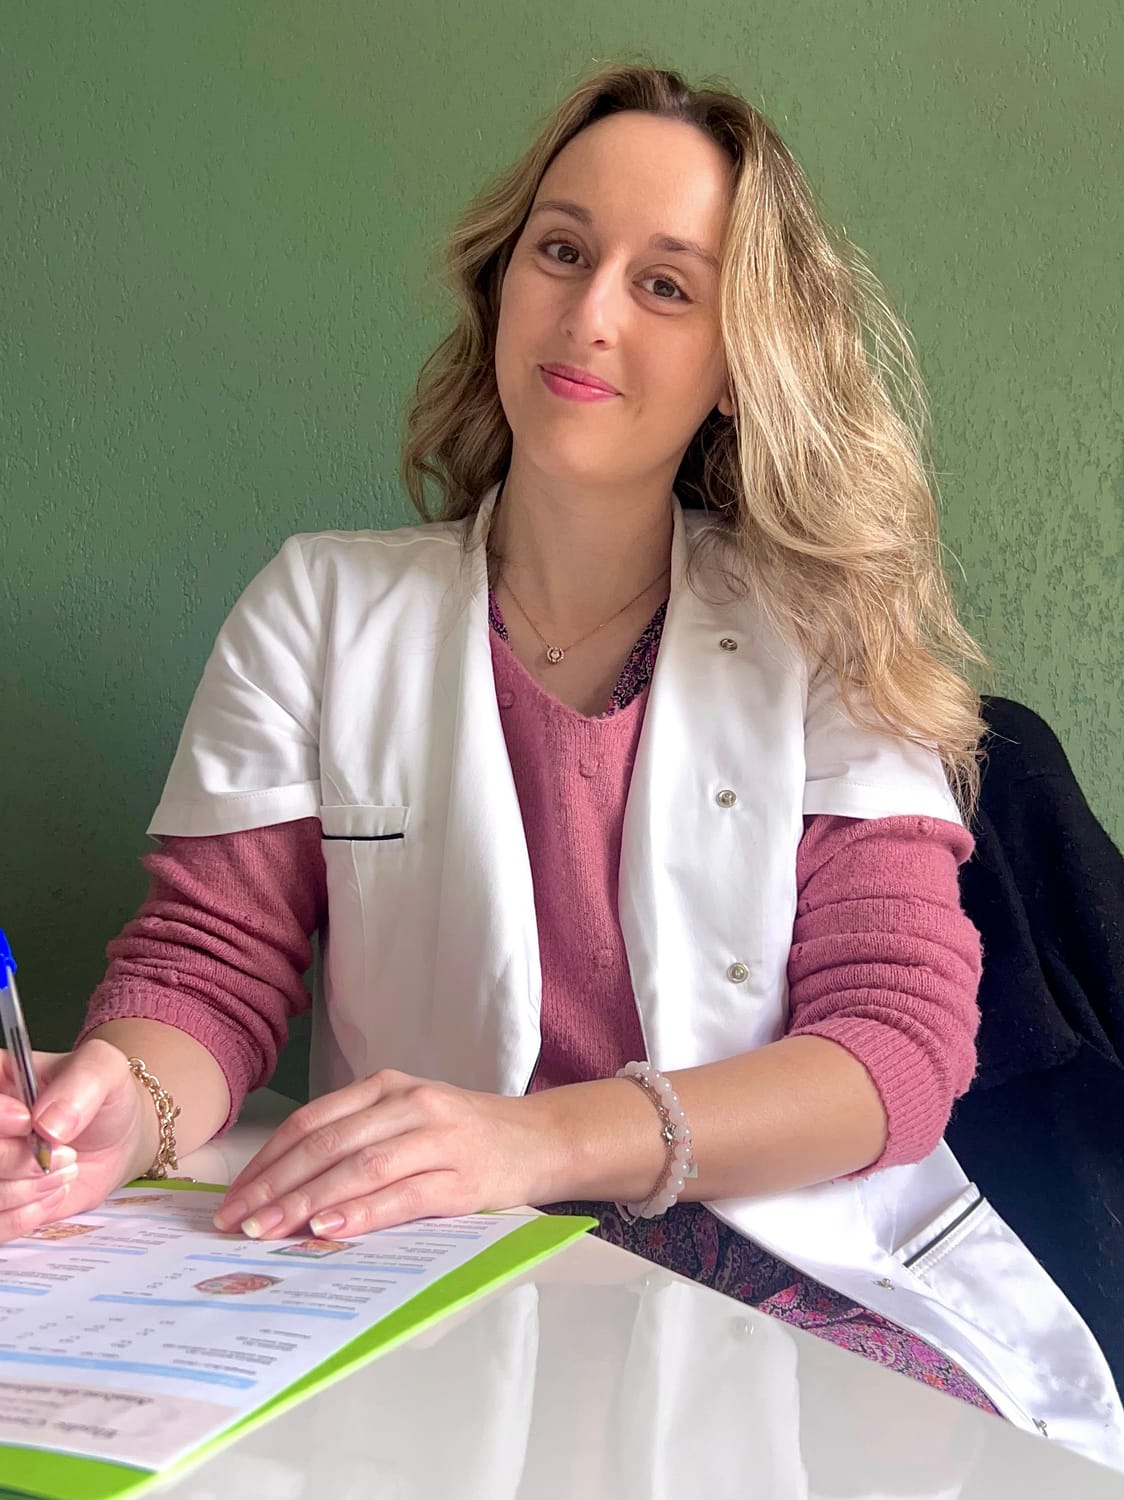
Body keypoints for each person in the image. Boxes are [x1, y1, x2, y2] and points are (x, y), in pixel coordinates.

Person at [1, 62, 1120, 1467]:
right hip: (432, 1275)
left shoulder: (829, 632)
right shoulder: (320, 608)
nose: (591, 315)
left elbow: (890, 1051)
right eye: (563, 251)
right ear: (501, 284)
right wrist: (124, 1105)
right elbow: (209, 975)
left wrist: (532, 1142)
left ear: (738, 364)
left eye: (667, 285)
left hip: (787, 1275)